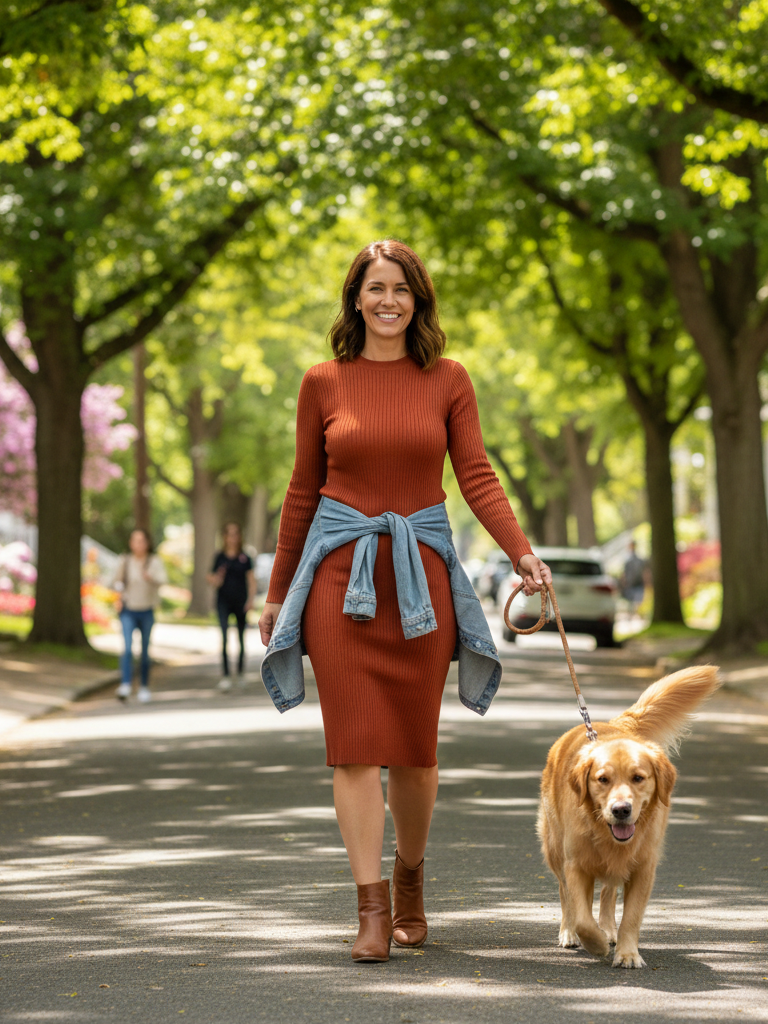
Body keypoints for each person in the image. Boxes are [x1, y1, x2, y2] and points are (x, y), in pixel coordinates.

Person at [258, 240, 551, 964]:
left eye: (402, 289)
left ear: (418, 300)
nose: (388, 300)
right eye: (374, 287)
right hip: (338, 583)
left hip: (421, 577)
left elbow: (475, 474)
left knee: (416, 755)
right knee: (353, 752)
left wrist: (521, 551)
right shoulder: (322, 382)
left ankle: (410, 881)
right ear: (355, 298)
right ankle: (369, 909)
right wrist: (275, 592)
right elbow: (302, 491)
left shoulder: (446, 379)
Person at [112, 528, 167, 703]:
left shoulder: (154, 561)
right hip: (128, 609)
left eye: (142, 541)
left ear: (147, 543)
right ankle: (126, 684)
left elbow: (163, 580)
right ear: (131, 543)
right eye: (135, 540)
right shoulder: (125, 561)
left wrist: (150, 577)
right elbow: (114, 581)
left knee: (144, 651)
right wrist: (118, 592)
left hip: (147, 610)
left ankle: (144, 686)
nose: (139, 544)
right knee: (127, 648)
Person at [207, 523, 256, 691]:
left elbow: (251, 580)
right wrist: (216, 578)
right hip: (223, 602)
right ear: (225, 537)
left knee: (241, 639)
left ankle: (241, 673)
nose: (232, 537)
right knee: (224, 637)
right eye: (229, 534)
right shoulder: (219, 557)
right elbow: (212, 580)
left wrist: (251, 600)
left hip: (240, 602)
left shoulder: (245, 557)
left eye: (235, 534)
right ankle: (226, 675)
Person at [621, 540, 647, 615]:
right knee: (631, 602)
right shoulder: (627, 559)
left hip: (638, 582)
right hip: (630, 583)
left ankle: (636, 614)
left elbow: (644, 571)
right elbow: (624, 572)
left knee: (637, 601)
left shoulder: (639, 560)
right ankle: (632, 615)